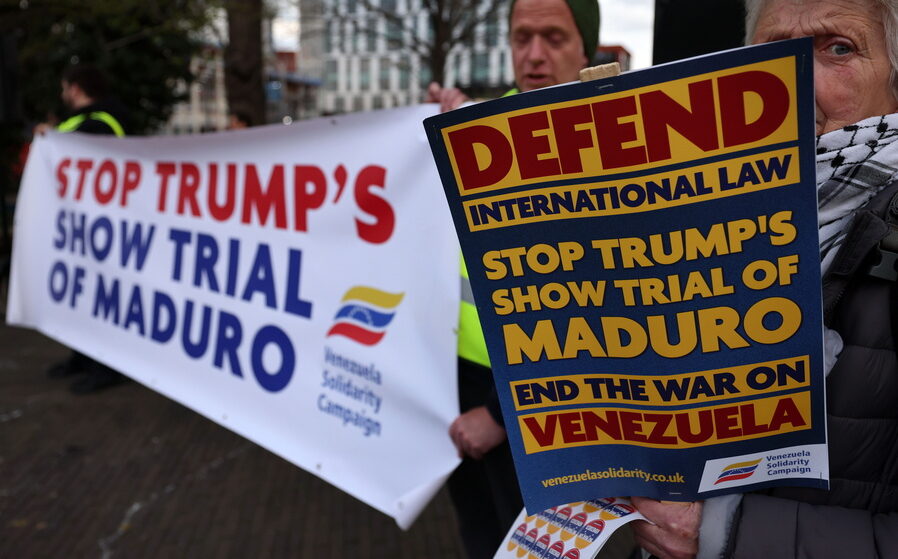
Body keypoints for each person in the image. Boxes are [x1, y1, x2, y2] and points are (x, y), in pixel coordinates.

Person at [630, 1, 898, 557]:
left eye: (839, 49)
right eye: (775, 53)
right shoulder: (696, 221)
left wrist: (720, 533)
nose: (796, 83)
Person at [426, 1, 604, 557]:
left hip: (546, 400)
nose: (534, 56)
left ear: (586, 47)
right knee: (479, 533)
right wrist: (430, 125)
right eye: (521, 38)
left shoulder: (612, 140)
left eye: (553, 37)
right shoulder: (473, 129)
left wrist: (501, 414)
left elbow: (603, 306)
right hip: (455, 380)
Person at [40, 64, 130, 395]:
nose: (62, 93)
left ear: (75, 88)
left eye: (65, 87)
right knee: (78, 295)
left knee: (99, 297)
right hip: (76, 227)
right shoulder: (78, 122)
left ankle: (106, 366)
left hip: (100, 227)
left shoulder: (102, 122)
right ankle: (82, 356)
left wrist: (52, 139)